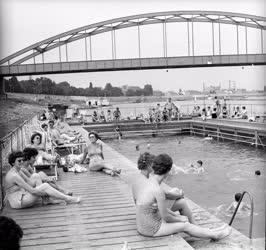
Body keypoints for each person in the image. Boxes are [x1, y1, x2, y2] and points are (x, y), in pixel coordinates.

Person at [131, 153, 231, 238]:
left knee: (183, 218)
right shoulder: (158, 190)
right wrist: (180, 219)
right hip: (151, 228)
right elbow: (165, 216)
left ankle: (207, 231)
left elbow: (160, 209)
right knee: (185, 225)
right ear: (168, 171)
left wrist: (177, 217)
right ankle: (216, 235)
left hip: (144, 223)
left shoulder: (149, 181)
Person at [131, 153, 196, 225]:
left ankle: (191, 222)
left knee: (176, 192)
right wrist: (180, 194)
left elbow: (163, 194)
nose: (156, 167)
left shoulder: (141, 178)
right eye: (154, 164)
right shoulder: (148, 180)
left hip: (142, 210)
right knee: (182, 202)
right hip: (150, 214)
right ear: (149, 165)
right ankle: (193, 224)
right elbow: (165, 194)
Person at [4, 151, 80, 209]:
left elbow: (29, 182)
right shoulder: (14, 175)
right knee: (45, 186)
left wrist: (45, 180)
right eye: (19, 161)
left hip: (21, 196)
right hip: (19, 202)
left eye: (22, 160)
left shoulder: (18, 170)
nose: (22, 162)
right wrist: (48, 191)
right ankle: (68, 199)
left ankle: (46, 200)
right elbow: (32, 190)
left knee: (36, 175)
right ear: (13, 163)